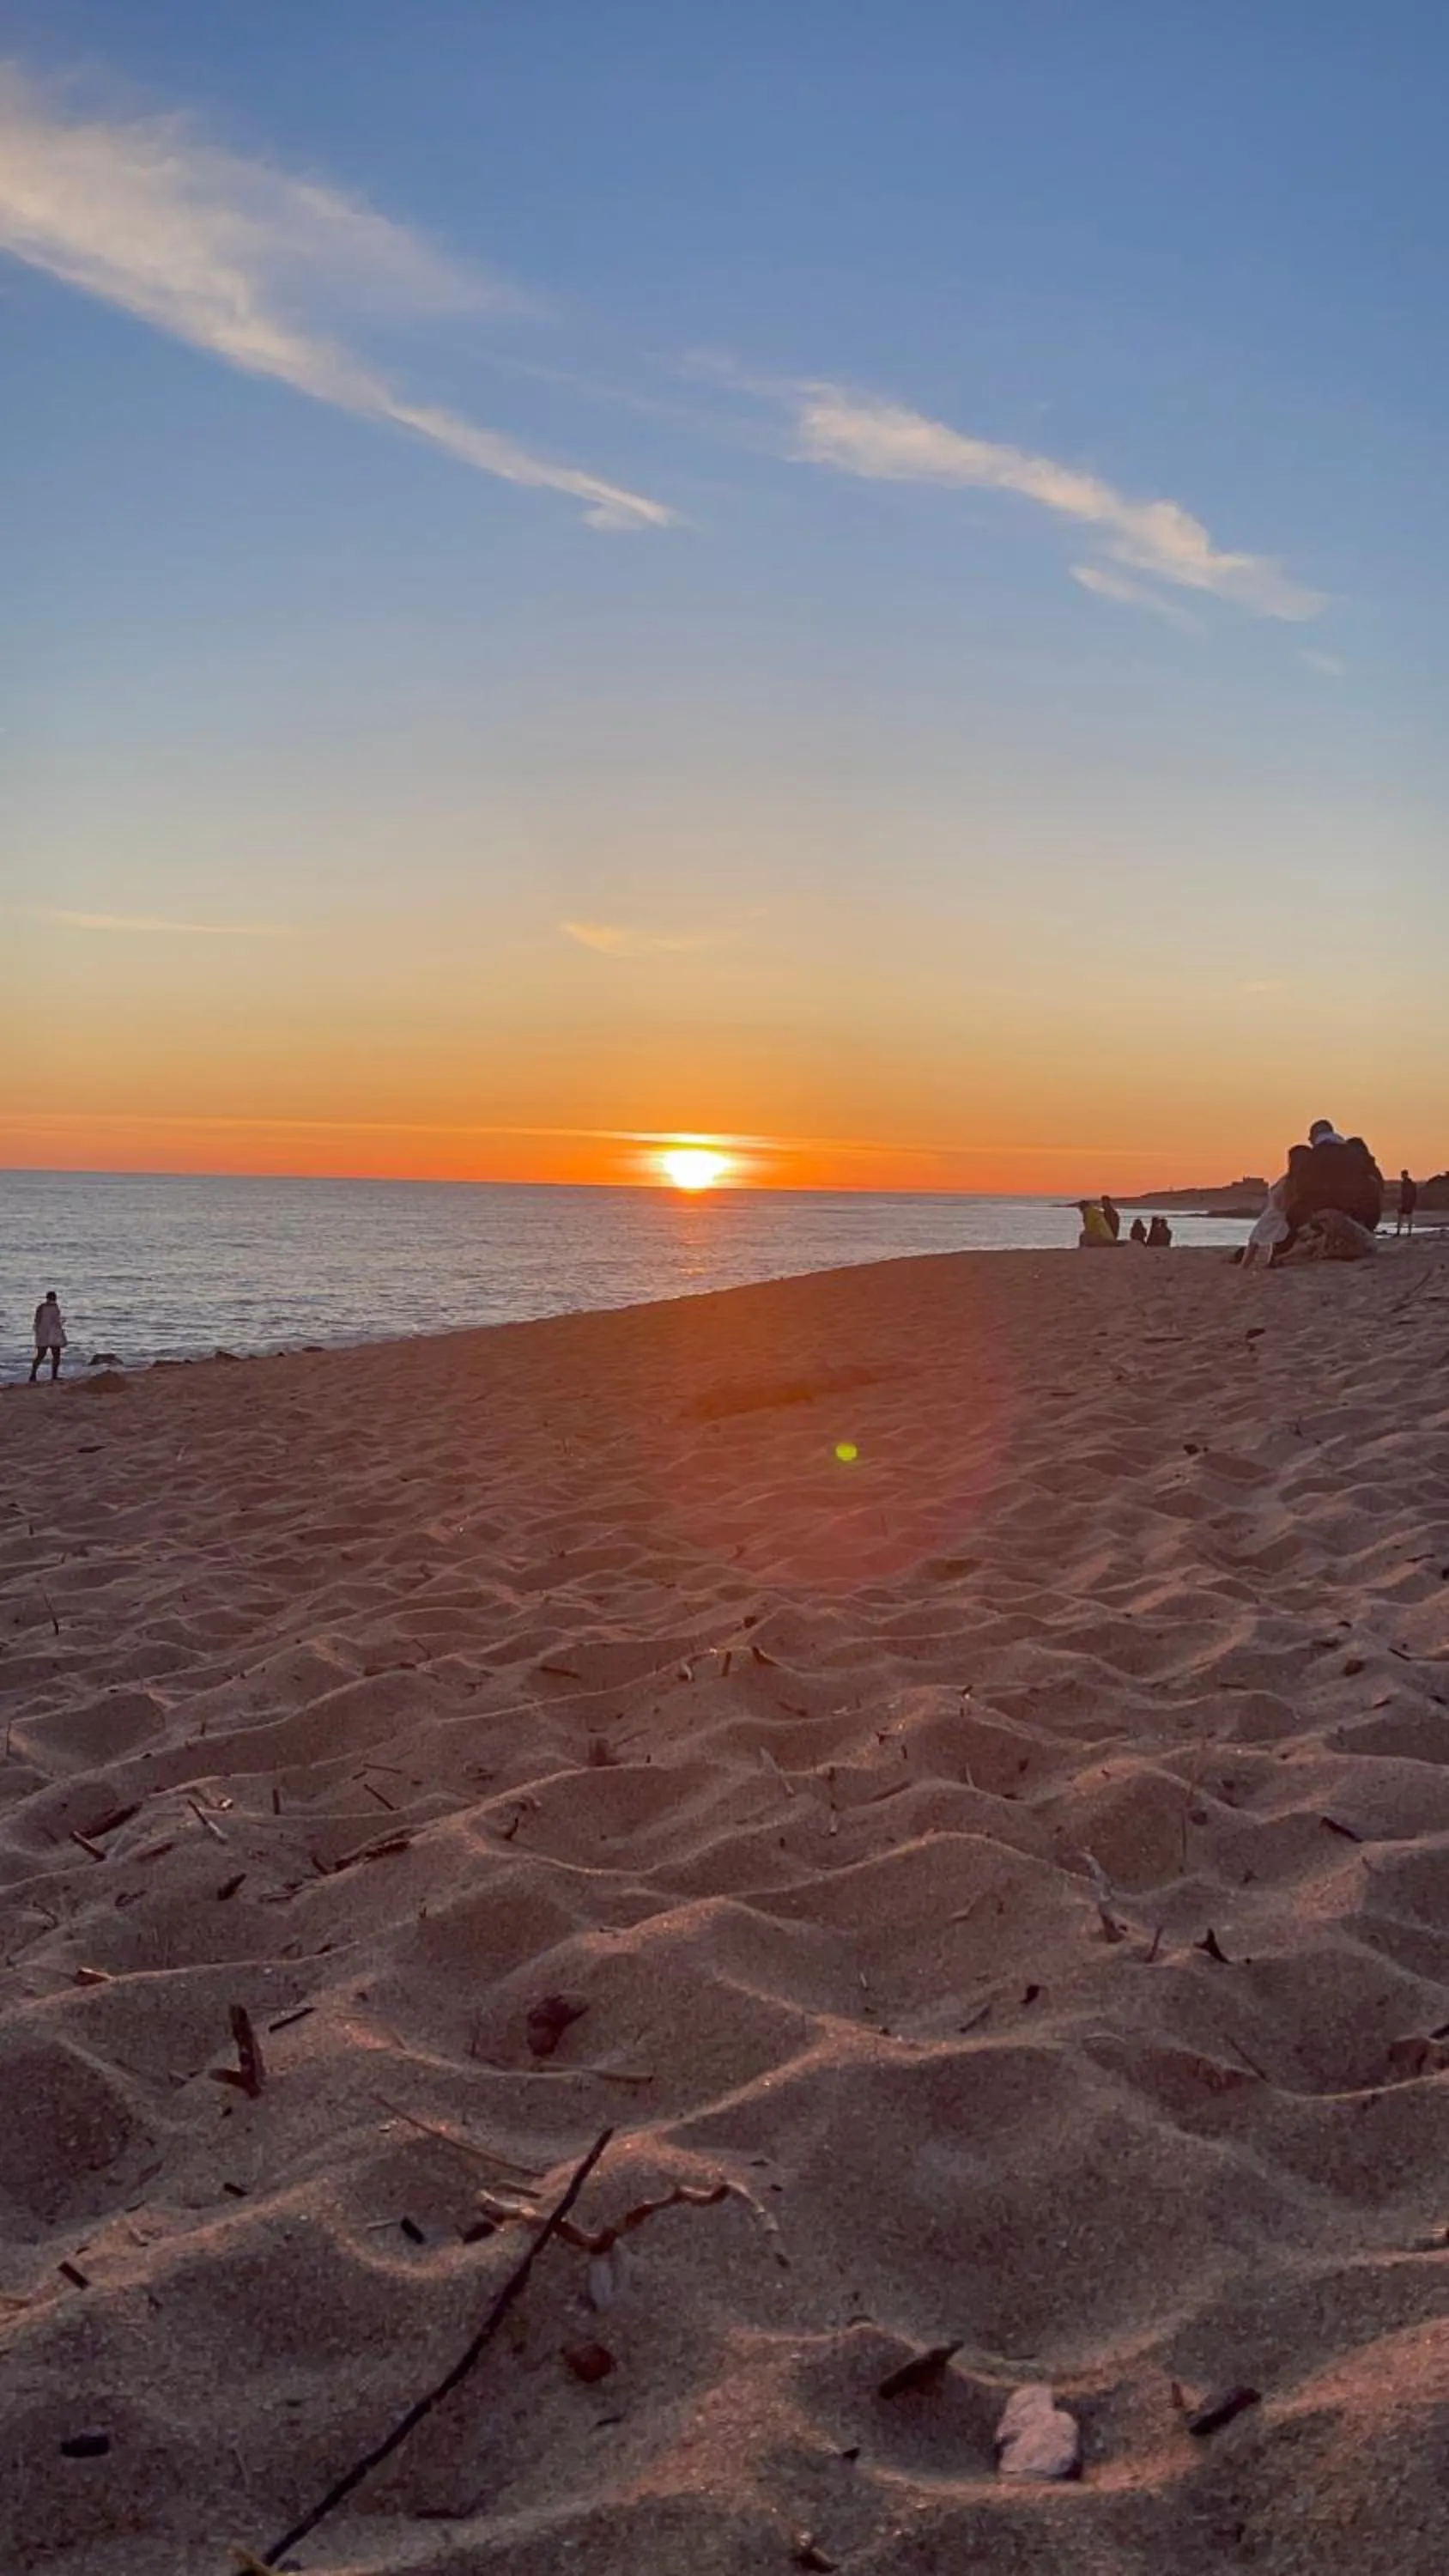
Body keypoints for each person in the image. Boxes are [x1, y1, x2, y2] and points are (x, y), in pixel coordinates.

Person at [1276, 1116, 1384, 1259]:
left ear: (1314, 1136)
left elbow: (1301, 1191)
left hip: (1319, 1215)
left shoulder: (1310, 1158)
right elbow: (1377, 1183)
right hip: (1360, 1216)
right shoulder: (1356, 1153)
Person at [30, 1291, 67, 1382]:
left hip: (42, 1335)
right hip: (53, 1335)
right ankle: (54, 1376)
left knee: (40, 1355)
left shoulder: (40, 1307)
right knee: (56, 1355)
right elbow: (56, 1322)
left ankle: (33, 1375)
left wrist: (37, 1335)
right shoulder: (55, 1307)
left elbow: (36, 1321)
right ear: (55, 1298)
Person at [1397, 1170, 1419, 1236]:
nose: (1402, 1176)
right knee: (1403, 1218)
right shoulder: (1407, 1183)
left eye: (1402, 1175)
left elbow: (1412, 1194)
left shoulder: (1408, 1184)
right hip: (1406, 1203)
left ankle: (1405, 1232)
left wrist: (1411, 1202)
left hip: (1407, 1203)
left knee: (1405, 1218)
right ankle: (1404, 1232)